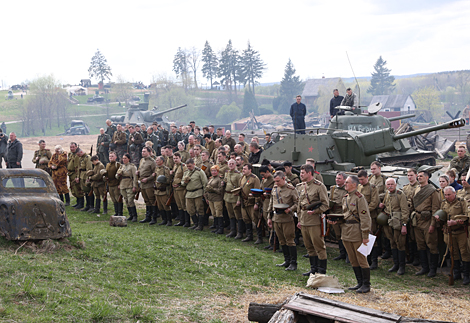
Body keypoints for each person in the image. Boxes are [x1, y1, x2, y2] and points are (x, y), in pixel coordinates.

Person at [330, 175, 372, 293]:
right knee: (353, 259)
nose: (345, 184)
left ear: (354, 184)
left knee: (361, 258)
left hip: (357, 232)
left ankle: (366, 284)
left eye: (347, 182)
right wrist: (335, 220)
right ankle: (359, 282)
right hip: (346, 231)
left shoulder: (360, 198)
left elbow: (365, 218)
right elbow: (345, 215)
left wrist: (365, 235)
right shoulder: (345, 197)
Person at [297, 164, 329, 276]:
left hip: (315, 221)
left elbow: (325, 205)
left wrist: (315, 212)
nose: (301, 175)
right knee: (309, 247)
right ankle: (313, 269)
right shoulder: (300, 186)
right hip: (304, 221)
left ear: (309, 173)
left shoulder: (319, 186)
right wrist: (299, 220)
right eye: (300, 173)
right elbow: (299, 205)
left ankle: (322, 271)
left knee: (319, 246)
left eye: (303, 173)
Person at [437, 186, 470, 285]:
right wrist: (439, 219)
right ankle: (456, 273)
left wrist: (456, 222)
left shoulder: (462, 202)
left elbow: (467, 216)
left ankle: (466, 275)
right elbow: (443, 214)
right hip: (449, 232)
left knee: (464, 252)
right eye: (446, 195)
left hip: (461, 232)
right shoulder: (444, 203)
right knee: (452, 252)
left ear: (454, 193)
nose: (447, 197)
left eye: (449, 195)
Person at [268, 171, 299, 271]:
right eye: (275, 181)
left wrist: (290, 209)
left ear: (284, 179)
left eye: (278, 181)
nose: (276, 183)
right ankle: (287, 260)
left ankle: (293, 263)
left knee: (290, 240)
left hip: (287, 219)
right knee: (281, 240)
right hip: (276, 218)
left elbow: (297, 203)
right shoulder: (275, 188)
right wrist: (269, 217)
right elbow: (271, 203)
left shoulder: (291, 189)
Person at [411, 170, 440, 277]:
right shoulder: (416, 189)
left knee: (431, 244)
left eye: (421, 176)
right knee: (420, 244)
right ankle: (424, 267)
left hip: (428, 221)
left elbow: (435, 208)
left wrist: (433, 224)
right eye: (418, 176)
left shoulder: (432, 191)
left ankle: (433, 269)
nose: (419, 178)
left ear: (427, 177)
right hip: (417, 219)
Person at [380, 178, 409, 275]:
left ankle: (402, 266)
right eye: (388, 184)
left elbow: (405, 210)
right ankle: (395, 264)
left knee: (400, 243)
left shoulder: (400, 194)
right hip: (389, 221)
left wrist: (404, 224)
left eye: (392, 184)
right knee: (392, 242)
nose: (390, 186)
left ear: (396, 185)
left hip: (398, 222)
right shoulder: (387, 194)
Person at [357, 170, 380, 269]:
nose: (361, 181)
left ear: (367, 177)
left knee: (371, 238)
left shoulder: (373, 188)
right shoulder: (359, 187)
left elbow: (374, 202)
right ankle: (366, 259)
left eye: (362, 179)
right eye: (359, 180)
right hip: (359, 218)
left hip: (370, 217)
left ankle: (374, 261)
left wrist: (363, 212)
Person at [237, 164, 261, 243]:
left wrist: (256, 203)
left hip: (251, 202)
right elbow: (239, 190)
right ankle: (249, 236)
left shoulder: (255, 179)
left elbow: (257, 192)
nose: (243, 170)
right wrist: (239, 200)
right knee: (246, 219)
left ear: (250, 170)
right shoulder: (242, 178)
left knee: (255, 219)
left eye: (245, 169)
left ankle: (259, 237)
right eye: (243, 169)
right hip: (244, 201)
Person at [182, 158, 208, 230]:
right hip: (189, 193)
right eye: (187, 166)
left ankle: (200, 225)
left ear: (194, 164)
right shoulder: (186, 172)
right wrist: (185, 182)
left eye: (190, 166)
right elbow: (182, 182)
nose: (188, 168)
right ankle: (195, 224)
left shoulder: (199, 172)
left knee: (200, 209)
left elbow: (205, 183)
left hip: (198, 192)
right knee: (190, 209)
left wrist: (205, 193)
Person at [403, 168, 420, 266]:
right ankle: (410, 256)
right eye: (408, 175)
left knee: (415, 237)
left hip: (415, 214)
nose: (409, 177)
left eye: (411, 175)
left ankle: (417, 258)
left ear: (416, 176)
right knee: (409, 237)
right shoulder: (405, 188)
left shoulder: (419, 187)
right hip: (407, 213)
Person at [329, 172, 348, 261]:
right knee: (338, 234)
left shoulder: (347, 189)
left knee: (346, 235)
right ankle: (342, 253)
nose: (337, 180)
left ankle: (348, 254)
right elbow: (330, 200)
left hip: (344, 214)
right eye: (336, 178)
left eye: (339, 178)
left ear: (344, 180)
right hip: (335, 213)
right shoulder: (332, 189)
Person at [223, 159, 243, 238]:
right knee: (231, 215)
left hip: (235, 196)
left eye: (232, 164)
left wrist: (239, 199)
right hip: (227, 196)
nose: (231, 165)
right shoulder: (227, 173)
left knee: (238, 215)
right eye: (229, 164)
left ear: (235, 165)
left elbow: (240, 188)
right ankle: (233, 231)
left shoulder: (238, 174)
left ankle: (240, 232)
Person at [137, 147, 157, 224]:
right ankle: (148, 217)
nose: (143, 153)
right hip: (142, 184)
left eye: (144, 151)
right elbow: (140, 169)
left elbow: (154, 173)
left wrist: (148, 179)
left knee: (152, 200)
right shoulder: (142, 160)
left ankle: (154, 217)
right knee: (146, 201)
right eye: (142, 151)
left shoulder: (152, 162)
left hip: (149, 184)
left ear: (149, 152)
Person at [116, 153, 138, 221]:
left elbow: (135, 177)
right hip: (123, 184)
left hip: (130, 184)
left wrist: (135, 186)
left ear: (129, 159)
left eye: (125, 158)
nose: (124, 160)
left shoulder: (132, 167)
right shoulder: (121, 166)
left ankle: (134, 216)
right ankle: (130, 214)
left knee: (130, 200)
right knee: (126, 200)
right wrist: (118, 175)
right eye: (123, 158)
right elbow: (116, 176)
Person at [205, 165, 225, 234]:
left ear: (218, 171)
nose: (213, 172)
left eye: (215, 171)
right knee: (214, 213)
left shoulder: (219, 179)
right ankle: (216, 227)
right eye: (212, 171)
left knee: (218, 213)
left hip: (217, 198)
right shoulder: (211, 178)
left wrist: (212, 189)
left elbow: (220, 190)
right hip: (211, 198)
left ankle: (220, 229)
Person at [171, 152, 189, 226]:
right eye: (174, 158)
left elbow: (185, 177)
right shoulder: (175, 166)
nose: (175, 160)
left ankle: (187, 221)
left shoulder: (183, 166)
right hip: (175, 189)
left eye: (176, 158)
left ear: (180, 158)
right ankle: (181, 221)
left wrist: (179, 183)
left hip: (181, 188)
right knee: (179, 205)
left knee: (184, 205)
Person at [259, 166, 275, 249]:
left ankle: (274, 243)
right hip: (265, 202)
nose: (263, 176)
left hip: (271, 201)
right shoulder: (264, 180)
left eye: (263, 174)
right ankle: (270, 241)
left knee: (272, 223)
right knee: (267, 221)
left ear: (268, 172)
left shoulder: (274, 180)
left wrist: (268, 193)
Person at [103, 151, 122, 217]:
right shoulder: (108, 165)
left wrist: (120, 184)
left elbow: (120, 175)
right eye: (110, 156)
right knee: (113, 199)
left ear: (115, 157)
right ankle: (116, 212)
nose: (111, 158)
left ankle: (120, 212)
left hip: (116, 183)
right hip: (110, 184)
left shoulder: (118, 165)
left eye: (112, 156)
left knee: (118, 198)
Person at [154, 156, 172, 226]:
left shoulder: (166, 169)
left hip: (163, 191)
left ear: (162, 161)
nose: (156, 161)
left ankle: (169, 221)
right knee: (160, 206)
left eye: (158, 160)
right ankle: (164, 220)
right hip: (157, 190)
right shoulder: (156, 168)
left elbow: (168, 180)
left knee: (165, 206)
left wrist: (162, 182)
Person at [67, 142, 84, 209]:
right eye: (71, 147)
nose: (72, 148)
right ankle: (77, 202)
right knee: (73, 188)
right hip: (70, 173)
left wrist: (77, 176)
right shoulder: (70, 154)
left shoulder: (77, 155)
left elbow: (77, 166)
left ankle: (81, 203)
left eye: (73, 147)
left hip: (75, 173)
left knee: (78, 188)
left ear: (76, 147)